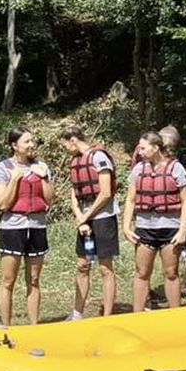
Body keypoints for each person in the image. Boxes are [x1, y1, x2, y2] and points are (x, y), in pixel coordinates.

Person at [0, 129, 55, 325]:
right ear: (14, 145)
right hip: (12, 228)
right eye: (27, 141)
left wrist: (44, 178)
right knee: (8, 280)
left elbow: (50, 199)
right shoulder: (2, 168)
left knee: (34, 279)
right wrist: (15, 179)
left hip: (37, 227)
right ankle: (7, 326)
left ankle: (34, 325)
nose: (32, 145)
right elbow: (2, 203)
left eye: (33, 141)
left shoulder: (41, 166)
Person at [124, 131, 186, 311]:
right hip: (145, 228)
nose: (140, 152)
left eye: (143, 148)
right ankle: (137, 315)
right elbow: (130, 200)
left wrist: (183, 230)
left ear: (156, 148)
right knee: (142, 273)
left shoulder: (176, 169)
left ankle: (175, 315)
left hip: (171, 228)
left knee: (171, 273)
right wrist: (126, 226)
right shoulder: (139, 169)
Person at [59, 125, 120, 319]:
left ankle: (107, 315)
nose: (65, 149)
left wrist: (87, 217)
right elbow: (74, 194)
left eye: (65, 145)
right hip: (85, 223)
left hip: (103, 219)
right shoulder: (75, 160)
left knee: (104, 267)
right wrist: (80, 218)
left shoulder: (99, 157)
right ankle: (77, 313)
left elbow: (106, 193)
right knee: (83, 265)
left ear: (73, 140)